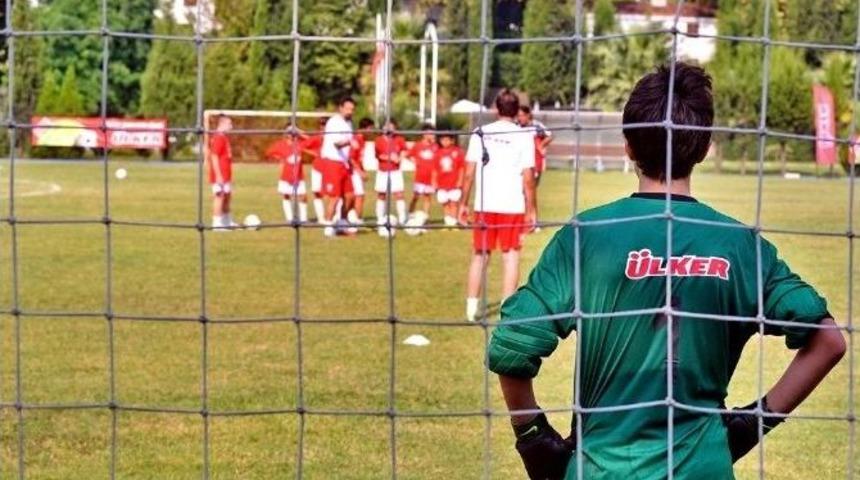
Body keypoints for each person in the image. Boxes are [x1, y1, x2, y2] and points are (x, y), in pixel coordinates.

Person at [487, 63, 846, 479]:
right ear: (705, 146)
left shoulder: (588, 235)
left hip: (602, 469)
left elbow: (510, 348)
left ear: (627, 146)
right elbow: (829, 342)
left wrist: (532, 435)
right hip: (702, 468)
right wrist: (753, 422)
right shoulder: (740, 246)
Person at [458, 89, 536, 322]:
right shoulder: (524, 136)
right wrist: (532, 209)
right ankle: (507, 311)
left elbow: (469, 173)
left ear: (495, 107)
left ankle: (471, 310)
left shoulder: (480, 133)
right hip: (512, 204)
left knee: (480, 256)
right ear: (516, 110)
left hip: (485, 204)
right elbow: (528, 178)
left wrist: (463, 203)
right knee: (510, 256)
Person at [320, 97, 357, 237]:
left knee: (350, 196)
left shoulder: (348, 123)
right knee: (334, 197)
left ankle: (342, 223)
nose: (350, 112)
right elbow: (337, 143)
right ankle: (328, 227)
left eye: (352, 109)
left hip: (344, 164)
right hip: (332, 162)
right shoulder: (334, 122)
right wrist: (349, 142)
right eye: (347, 108)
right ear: (340, 108)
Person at [265, 126, 308, 223]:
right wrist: (279, 158)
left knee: (303, 196)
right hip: (286, 176)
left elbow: (311, 140)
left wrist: (300, 132)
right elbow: (268, 153)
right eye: (289, 133)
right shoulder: (280, 144)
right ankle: (289, 218)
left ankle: (304, 219)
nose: (291, 135)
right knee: (286, 195)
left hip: (298, 176)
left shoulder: (300, 144)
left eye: (293, 132)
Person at [374, 119, 408, 237]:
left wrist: (399, 158)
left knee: (399, 194)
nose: (389, 128)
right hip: (383, 171)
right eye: (387, 126)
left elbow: (404, 150)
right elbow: (378, 155)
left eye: (392, 126)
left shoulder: (399, 139)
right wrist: (389, 157)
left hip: (395, 171)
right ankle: (380, 219)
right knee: (381, 194)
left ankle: (403, 220)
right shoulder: (378, 140)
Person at [207, 114, 238, 230]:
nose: (231, 126)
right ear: (222, 124)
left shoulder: (224, 137)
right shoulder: (218, 137)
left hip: (226, 174)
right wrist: (218, 175)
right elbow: (214, 156)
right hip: (220, 175)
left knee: (227, 197)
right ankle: (217, 224)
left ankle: (227, 221)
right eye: (229, 124)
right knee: (219, 196)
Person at [407, 124, 438, 227]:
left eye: (433, 133)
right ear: (424, 134)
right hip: (420, 176)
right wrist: (415, 161)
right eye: (429, 133)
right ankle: (409, 215)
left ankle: (425, 218)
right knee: (415, 196)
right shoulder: (418, 145)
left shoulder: (435, 146)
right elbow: (409, 155)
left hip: (430, 177)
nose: (432, 135)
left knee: (427, 197)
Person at [346, 117, 375, 224]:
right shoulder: (357, 139)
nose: (372, 131)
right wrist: (360, 172)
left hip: (356, 171)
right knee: (359, 196)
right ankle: (357, 219)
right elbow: (351, 158)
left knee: (353, 196)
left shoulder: (362, 139)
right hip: (353, 172)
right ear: (365, 128)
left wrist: (363, 170)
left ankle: (348, 218)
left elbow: (358, 158)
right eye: (371, 129)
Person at [433, 131, 465, 227]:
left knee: (453, 203)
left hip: (454, 182)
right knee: (445, 203)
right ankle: (448, 223)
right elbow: (435, 169)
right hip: (442, 182)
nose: (444, 142)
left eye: (447, 139)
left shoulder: (458, 152)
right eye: (442, 139)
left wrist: (460, 180)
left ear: (452, 141)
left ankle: (454, 223)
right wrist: (434, 181)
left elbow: (461, 168)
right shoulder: (438, 153)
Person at [517, 105, 553, 186]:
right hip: (521, 161)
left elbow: (550, 135)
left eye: (522, 115)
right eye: (518, 116)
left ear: (528, 115)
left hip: (535, 161)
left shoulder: (536, 126)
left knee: (533, 186)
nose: (520, 118)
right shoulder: (517, 127)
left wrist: (541, 145)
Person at [306, 117, 327, 222]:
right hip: (317, 168)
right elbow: (303, 146)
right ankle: (321, 217)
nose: (323, 127)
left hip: (330, 168)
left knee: (333, 193)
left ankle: (334, 216)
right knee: (317, 192)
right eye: (321, 125)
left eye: (325, 125)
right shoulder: (316, 137)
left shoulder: (334, 137)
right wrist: (314, 153)